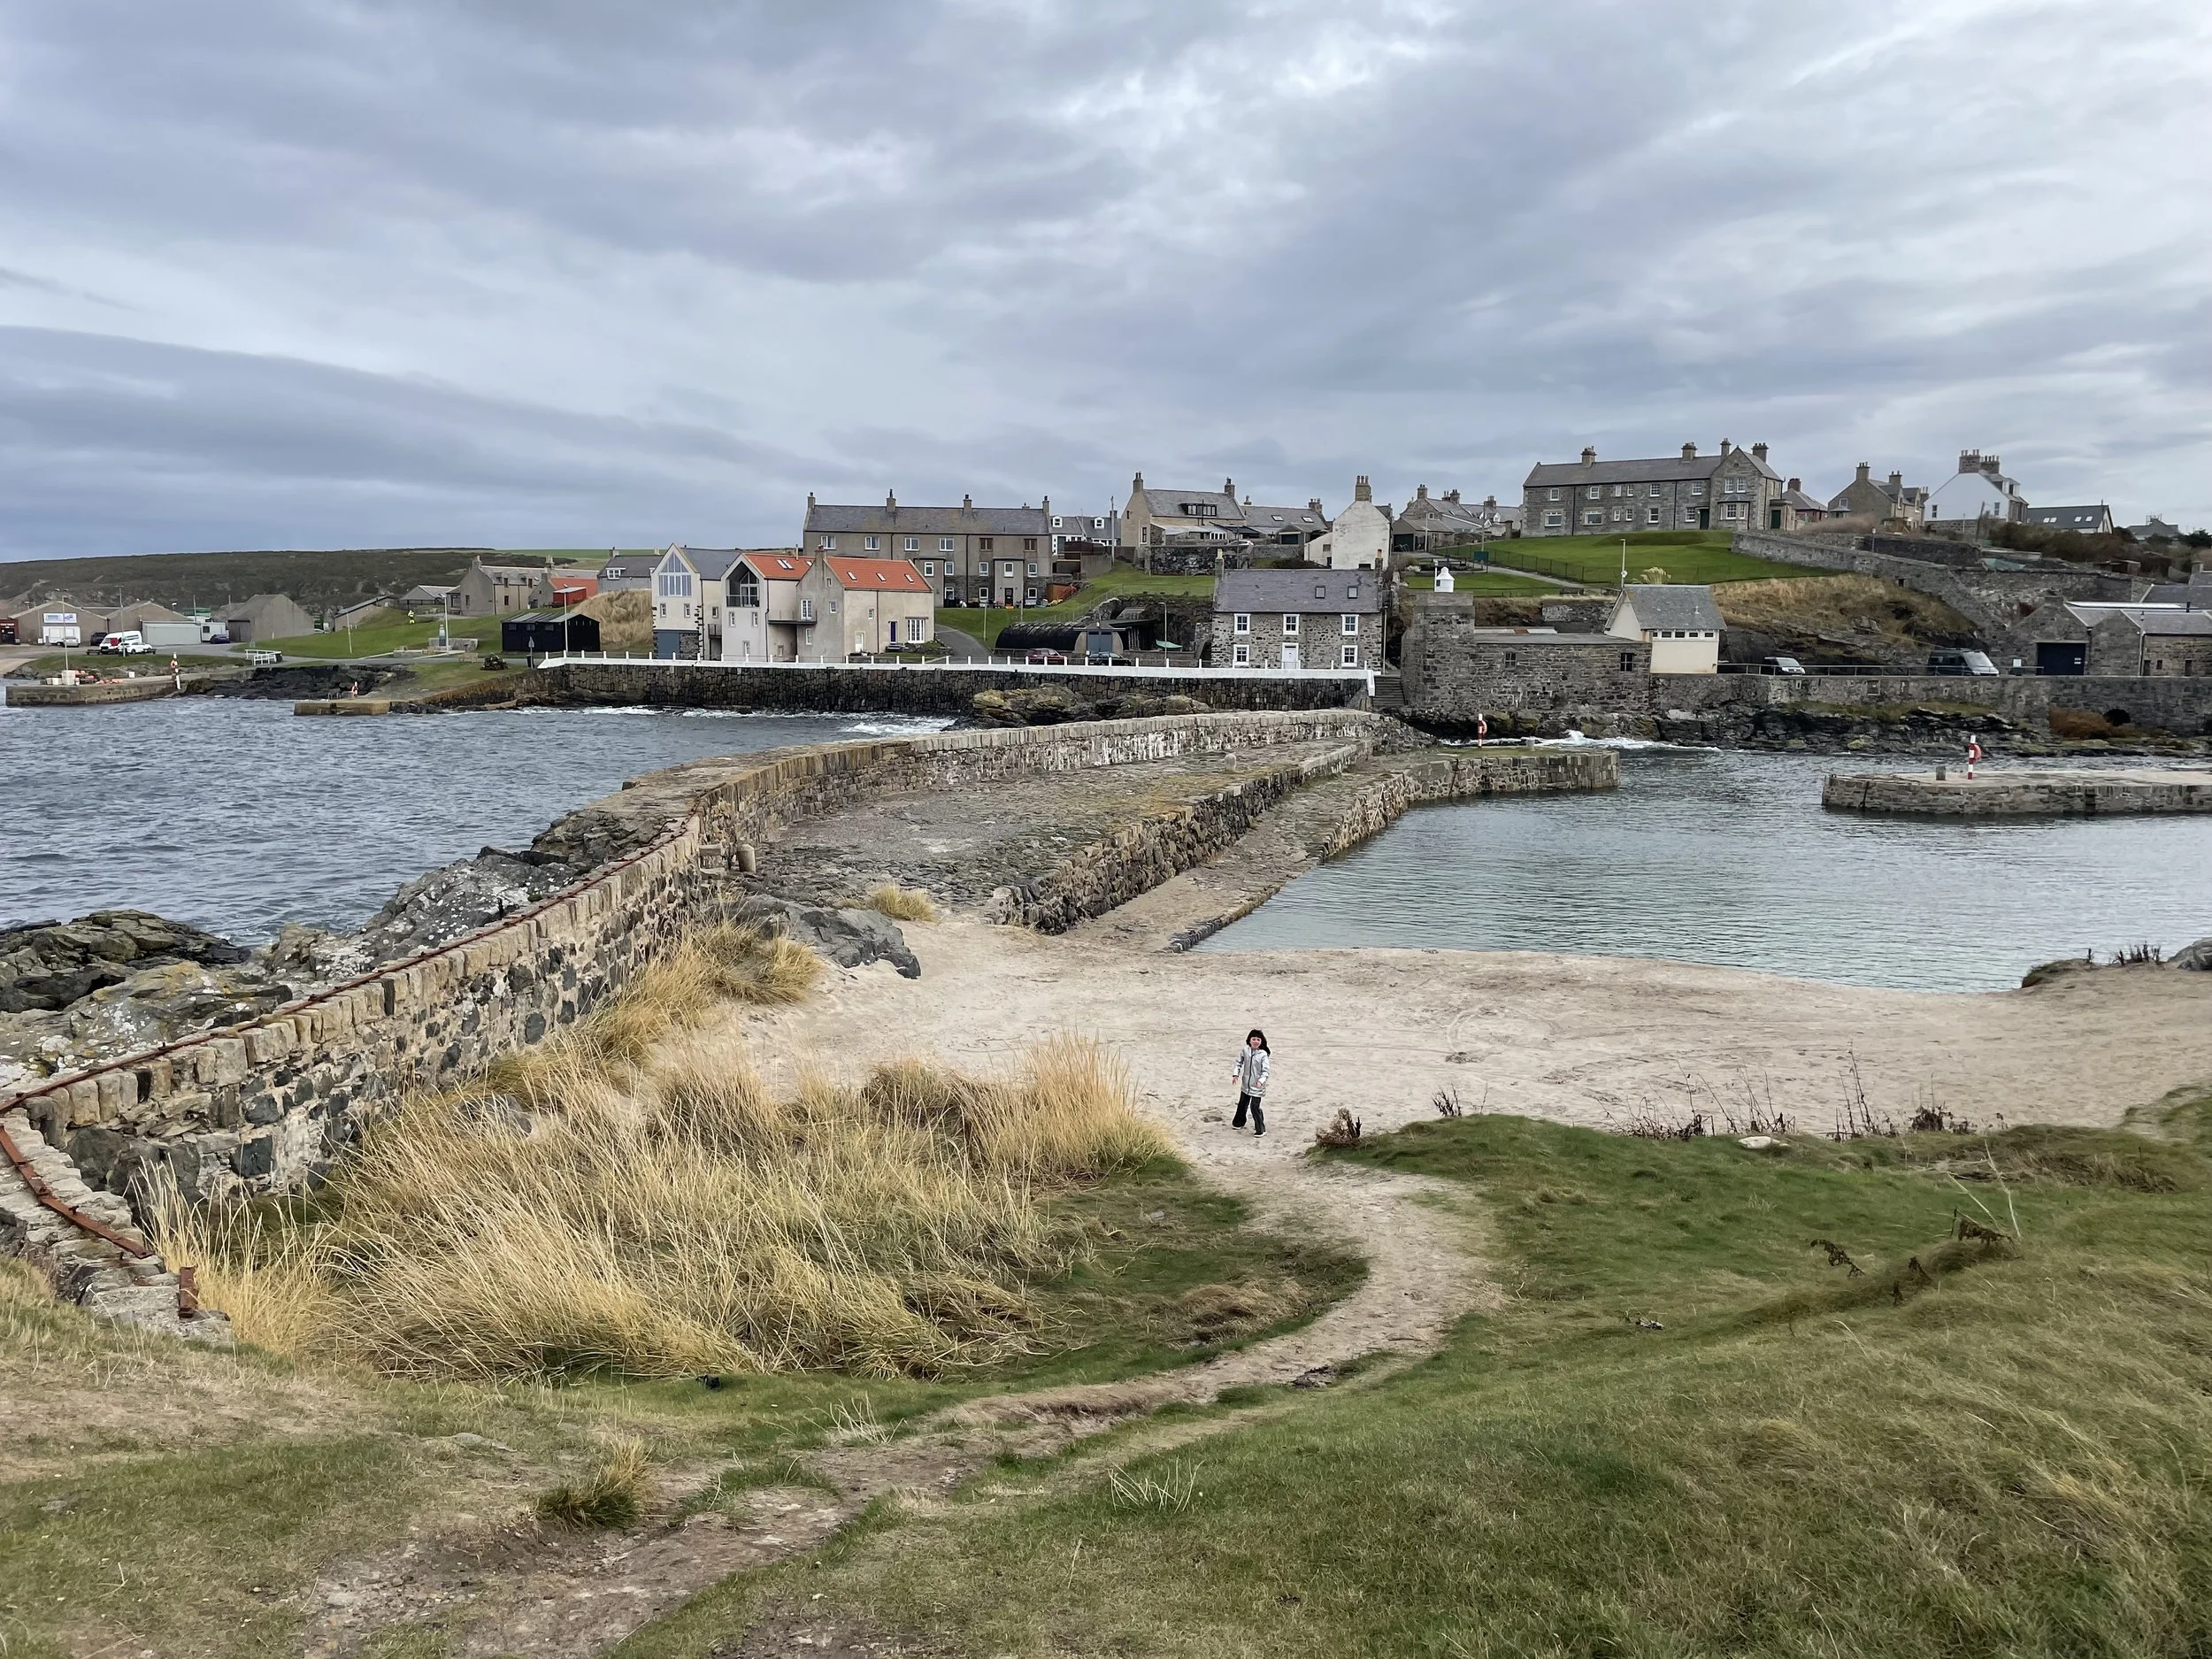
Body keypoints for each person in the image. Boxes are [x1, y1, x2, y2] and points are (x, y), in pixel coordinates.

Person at [1230, 1029, 1271, 1136]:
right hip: (1246, 1084)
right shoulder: (1245, 1050)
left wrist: (1261, 1081)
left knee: (1254, 1107)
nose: (1256, 1041)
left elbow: (1266, 1072)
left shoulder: (1263, 1055)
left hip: (1257, 1086)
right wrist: (1235, 1075)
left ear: (1262, 1041)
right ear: (1249, 1040)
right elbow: (1238, 1062)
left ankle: (1260, 1129)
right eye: (1254, 1039)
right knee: (1242, 1104)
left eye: (1258, 1039)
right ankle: (1238, 1122)